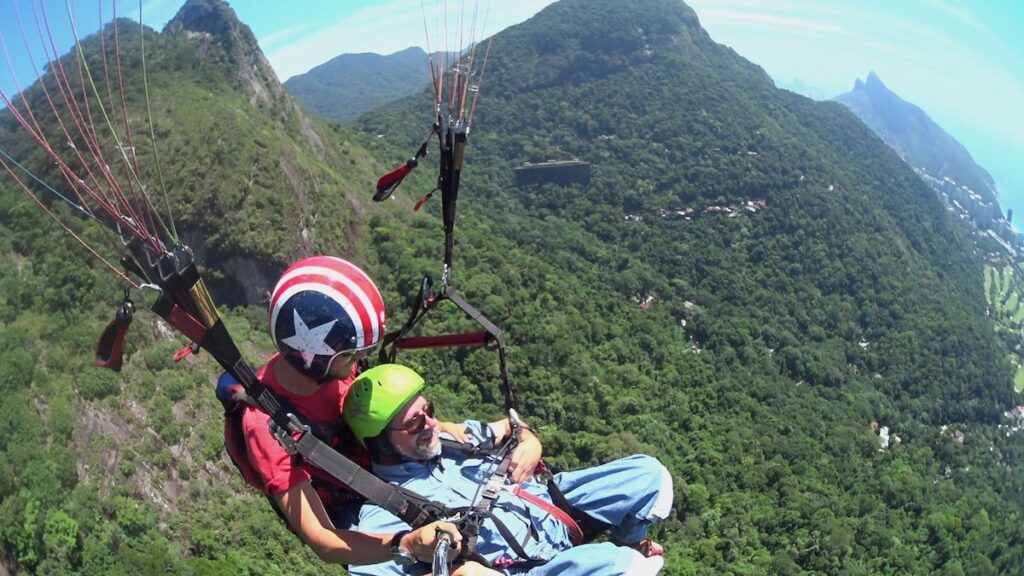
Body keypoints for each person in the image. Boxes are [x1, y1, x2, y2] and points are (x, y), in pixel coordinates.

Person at [234, 255, 544, 567]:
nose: (359, 361)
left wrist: (523, 436)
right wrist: (405, 544)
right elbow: (322, 538)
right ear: (315, 360)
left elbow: (408, 420)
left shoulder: (336, 370)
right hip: (364, 514)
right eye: (351, 354)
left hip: (396, 470)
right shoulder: (267, 426)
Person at [343, 364, 674, 576]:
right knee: (620, 567)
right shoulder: (385, 509)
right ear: (381, 442)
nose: (431, 423)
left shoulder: (451, 439)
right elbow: (375, 562)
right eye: (415, 422)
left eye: (428, 409)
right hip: (521, 566)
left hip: (551, 508)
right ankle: (616, 555)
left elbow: (511, 427)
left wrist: (530, 443)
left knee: (649, 476)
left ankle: (628, 540)